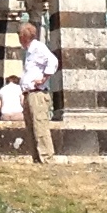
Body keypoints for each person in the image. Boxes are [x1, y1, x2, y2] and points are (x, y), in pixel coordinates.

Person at [16, 14, 62, 163]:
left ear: (24, 36)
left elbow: (53, 61)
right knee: (31, 126)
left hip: (38, 94)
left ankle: (47, 158)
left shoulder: (38, 47)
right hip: (29, 93)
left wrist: (43, 78)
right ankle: (36, 157)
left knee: (40, 125)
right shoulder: (29, 51)